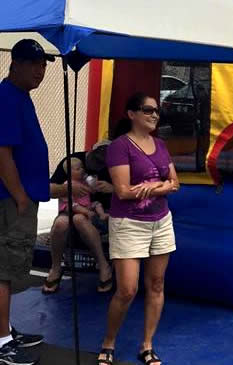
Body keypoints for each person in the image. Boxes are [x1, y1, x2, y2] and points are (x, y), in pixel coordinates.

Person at [98, 93, 180, 365]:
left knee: (156, 284)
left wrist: (154, 187)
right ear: (132, 114)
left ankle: (147, 344)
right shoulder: (120, 147)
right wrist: (161, 186)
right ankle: (109, 342)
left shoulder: (160, 145)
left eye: (157, 111)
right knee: (127, 289)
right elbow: (123, 191)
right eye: (148, 110)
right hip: (129, 223)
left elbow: (175, 183)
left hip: (161, 221)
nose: (154, 115)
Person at [0, 39, 55, 365]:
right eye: (34, 64)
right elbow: (2, 152)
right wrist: (20, 196)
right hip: (10, 201)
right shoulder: (7, 98)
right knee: (3, 271)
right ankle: (2, 341)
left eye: (43, 65)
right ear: (15, 64)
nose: (40, 70)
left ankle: (4, 329)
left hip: (20, 199)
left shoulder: (20, 97)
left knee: (9, 269)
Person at [43, 146, 114, 295]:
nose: (84, 171)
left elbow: (132, 189)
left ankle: (103, 265)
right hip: (71, 209)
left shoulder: (116, 166)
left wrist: (112, 188)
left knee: (79, 219)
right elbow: (49, 190)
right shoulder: (72, 162)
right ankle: (55, 267)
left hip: (96, 211)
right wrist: (67, 189)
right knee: (62, 223)